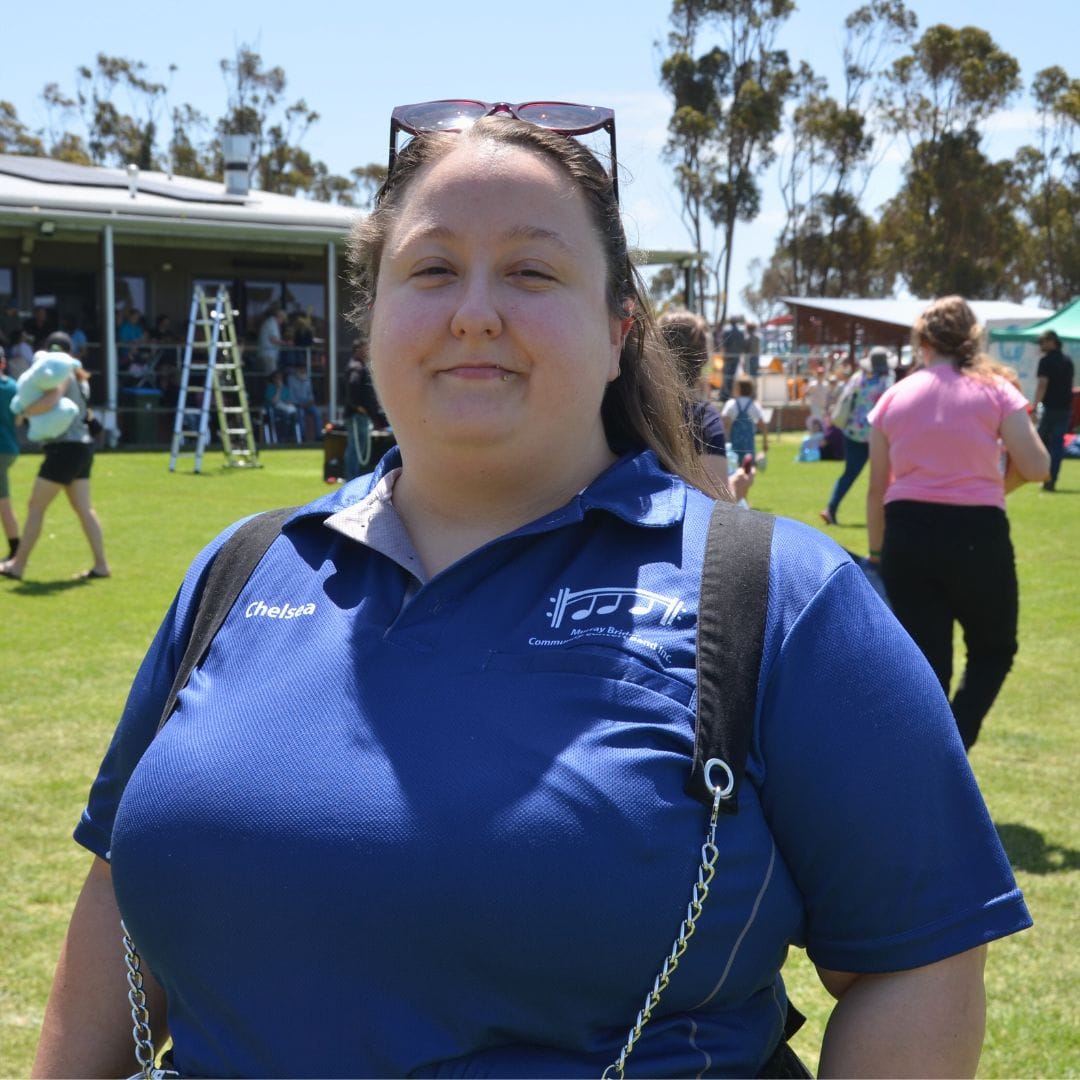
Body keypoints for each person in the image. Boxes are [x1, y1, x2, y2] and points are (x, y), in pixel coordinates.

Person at [34, 102, 1030, 1080]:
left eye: (531, 271)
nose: (474, 310)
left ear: (616, 331)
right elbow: (121, 893)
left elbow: (916, 960)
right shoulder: (243, 568)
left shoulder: (783, 598)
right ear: (371, 320)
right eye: (431, 269)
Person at [866, 296, 1049, 751]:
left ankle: (931, 758)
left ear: (923, 343)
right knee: (994, 649)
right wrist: (991, 487)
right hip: (976, 534)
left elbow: (876, 489)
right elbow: (1037, 465)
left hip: (906, 535)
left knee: (925, 667)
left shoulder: (894, 396)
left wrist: (877, 554)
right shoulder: (995, 390)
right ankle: (954, 746)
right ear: (973, 338)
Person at [0, 332, 110, 582]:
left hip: (64, 449)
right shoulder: (80, 377)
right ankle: (101, 566)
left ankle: (17, 565)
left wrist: (25, 410)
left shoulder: (60, 374)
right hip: (82, 446)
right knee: (84, 509)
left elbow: (51, 399)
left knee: (35, 506)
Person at [658, 309, 751, 502]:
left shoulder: (629, 410)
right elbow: (716, 508)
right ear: (704, 358)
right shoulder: (702, 418)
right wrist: (736, 487)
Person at [819, 347, 894, 526]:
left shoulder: (858, 378)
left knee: (849, 474)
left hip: (853, 432)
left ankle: (830, 508)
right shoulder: (886, 381)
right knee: (884, 477)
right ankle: (887, 515)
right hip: (878, 434)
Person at [1032, 330, 1075, 491]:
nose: (1041, 346)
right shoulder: (1068, 360)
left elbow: (1042, 385)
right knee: (1057, 445)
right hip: (1065, 408)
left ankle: (1037, 474)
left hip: (1050, 408)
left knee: (1038, 442)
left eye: (1042, 342)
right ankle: (1051, 480)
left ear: (1052, 341)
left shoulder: (1046, 361)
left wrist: (1035, 406)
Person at [343, 339, 388, 479]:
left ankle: (352, 477)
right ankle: (351, 479)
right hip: (357, 415)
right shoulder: (356, 368)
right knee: (356, 448)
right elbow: (352, 386)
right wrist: (358, 407)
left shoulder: (356, 366)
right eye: (365, 348)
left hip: (358, 414)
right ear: (358, 350)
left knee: (357, 448)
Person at [721, 374, 769, 465]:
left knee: (733, 468)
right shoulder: (754, 405)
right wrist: (765, 444)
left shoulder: (731, 404)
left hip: (733, 444)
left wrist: (724, 441)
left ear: (738, 388)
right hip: (749, 445)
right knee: (749, 468)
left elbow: (725, 424)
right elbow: (763, 424)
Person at [0, 347, 21, 559]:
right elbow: (19, 418)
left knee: (3, 501)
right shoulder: (13, 386)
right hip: (10, 448)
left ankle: (16, 551)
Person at [286, 363, 323, 439]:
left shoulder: (307, 379)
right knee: (301, 414)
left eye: (304, 370)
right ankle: (302, 436)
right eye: (301, 369)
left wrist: (309, 402)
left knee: (317, 413)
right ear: (297, 370)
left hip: (307, 404)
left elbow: (311, 395)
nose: (303, 371)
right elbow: (291, 396)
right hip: (296, 405)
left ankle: (319, 436)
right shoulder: (291, 379)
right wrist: (298, 404)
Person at [256, 306, 287, 374]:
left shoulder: (269, 322)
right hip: (269, 355)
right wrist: (286, 343)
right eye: (283, 319)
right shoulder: (272, 323)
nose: (282, 322)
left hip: (266, 354)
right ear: (279, 317)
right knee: (271, 375)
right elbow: (274, 339)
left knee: (268, 375)